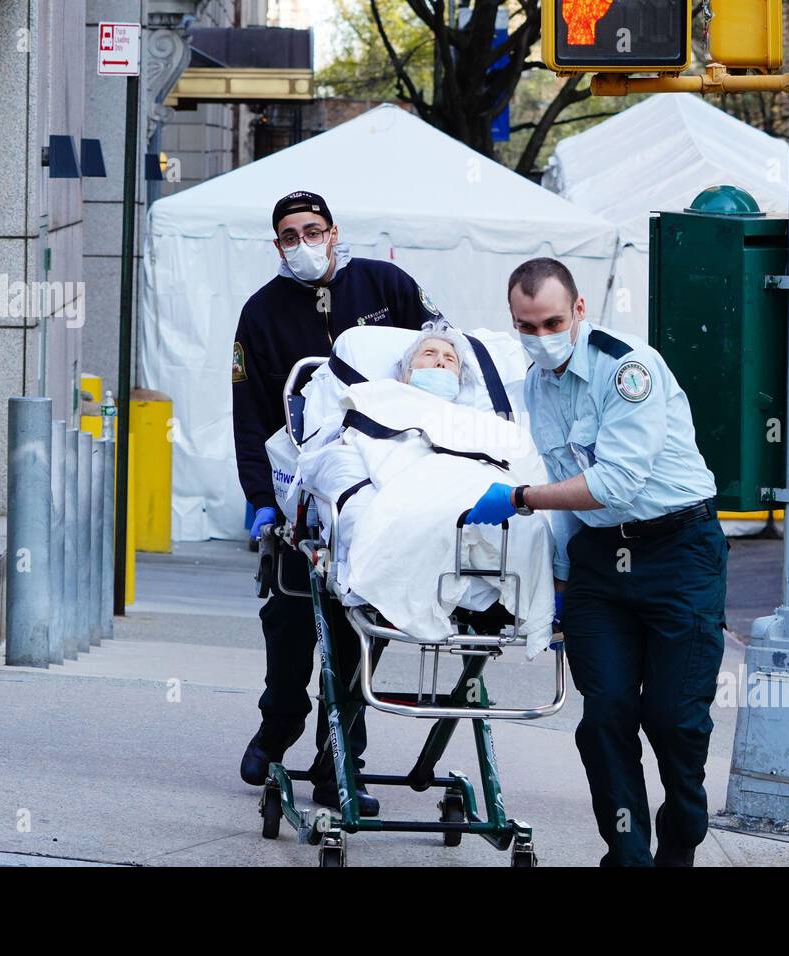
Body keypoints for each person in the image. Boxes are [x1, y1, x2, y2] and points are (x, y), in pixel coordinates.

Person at [467, 257, 728, 866]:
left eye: (552, 322)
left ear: (580, 310)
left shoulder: (626, 369)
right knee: (605, 712)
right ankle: (627, 852)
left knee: (674, 719)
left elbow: (614, 481)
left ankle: (682, 836)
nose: (540, 338)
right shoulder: (537, 384)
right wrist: (558, 583)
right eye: (525, 327)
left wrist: (518, 498)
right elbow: (568, 491)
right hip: (598, 563)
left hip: (678, 550)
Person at [232, 190, 437, 814]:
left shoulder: (386, 287)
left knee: (356, 632)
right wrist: (259, 498)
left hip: (376, 489)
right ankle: (280, 723)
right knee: (291, 621)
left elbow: (441, 358)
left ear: (334, 230)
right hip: (301, 493)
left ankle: (339, 765)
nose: (303, 243)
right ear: (277, 245)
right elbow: (250, 413)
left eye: (312, 230)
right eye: (290, 235)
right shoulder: (261, 314)